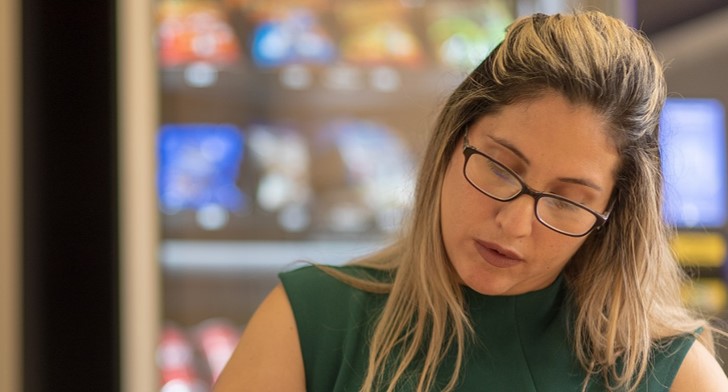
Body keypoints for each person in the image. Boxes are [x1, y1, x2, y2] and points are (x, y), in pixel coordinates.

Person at [214, 10, 728, 392]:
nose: (515, 223)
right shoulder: (308, 323)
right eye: (501, 168)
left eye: (568, 201)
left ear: (610, 218)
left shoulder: (674, 376)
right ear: (450, 142)